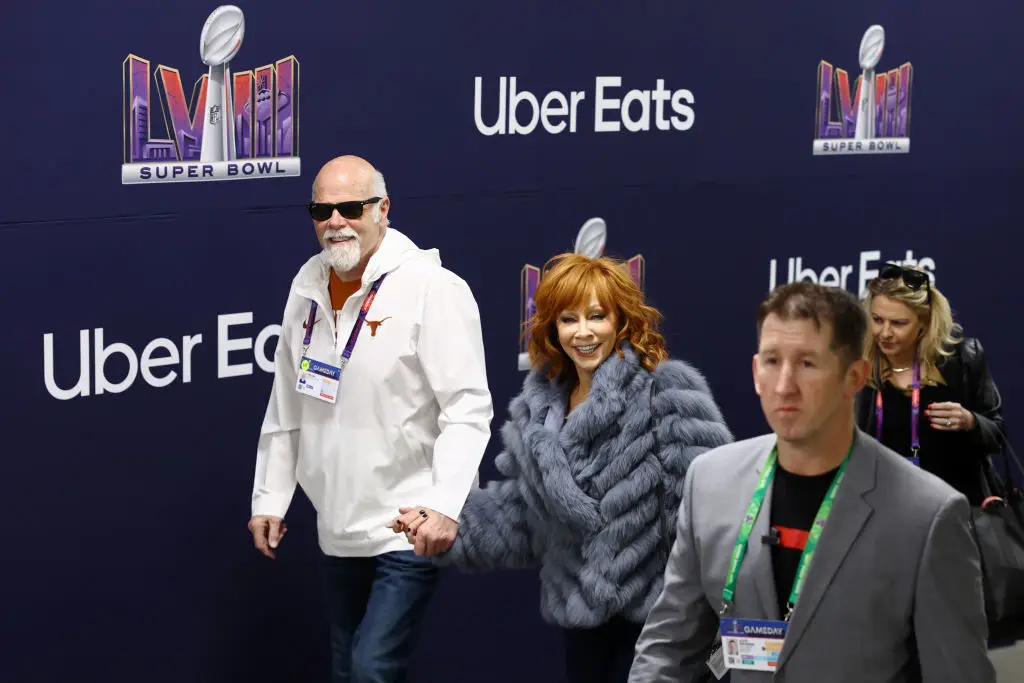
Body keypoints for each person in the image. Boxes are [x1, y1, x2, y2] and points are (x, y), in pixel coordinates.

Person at [391, 253, 733, 683]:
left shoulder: (666, 392)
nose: (584, 332)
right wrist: (448, 523)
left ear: (621, 321)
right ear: (552, 326)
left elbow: (717, 505)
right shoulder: (537, 415)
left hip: (663, 621)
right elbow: (522, 517)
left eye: (597, 316)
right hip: (583, 624)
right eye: (569, 319)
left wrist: (708, 607)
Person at [628, 281, 994, 683]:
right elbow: (667, 648)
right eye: (772, 361)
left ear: (854, 376)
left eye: (807, 363)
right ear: (755, 372)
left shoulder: (929, 515)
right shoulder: (710, 481)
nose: (785, 385)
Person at [248, 155, 494, 683]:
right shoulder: (306, 288)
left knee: (371, 668)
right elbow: (285, 405)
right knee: (347, 668)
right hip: (337, 523)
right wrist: (270, 498)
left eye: (350, 207)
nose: (334, 221)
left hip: (407, 522)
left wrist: (444, 505)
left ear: (383, 209)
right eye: (321, 209)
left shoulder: (433, 289)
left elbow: (468, 409)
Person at [855, 263, 1006, 505]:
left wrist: (970, 421)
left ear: (924, 323)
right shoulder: (859, 367)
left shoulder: (962, 360)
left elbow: (997, 434)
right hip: (883, 512)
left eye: (898, 323)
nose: (885, 332)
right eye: (877, 319)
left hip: (956, 513)